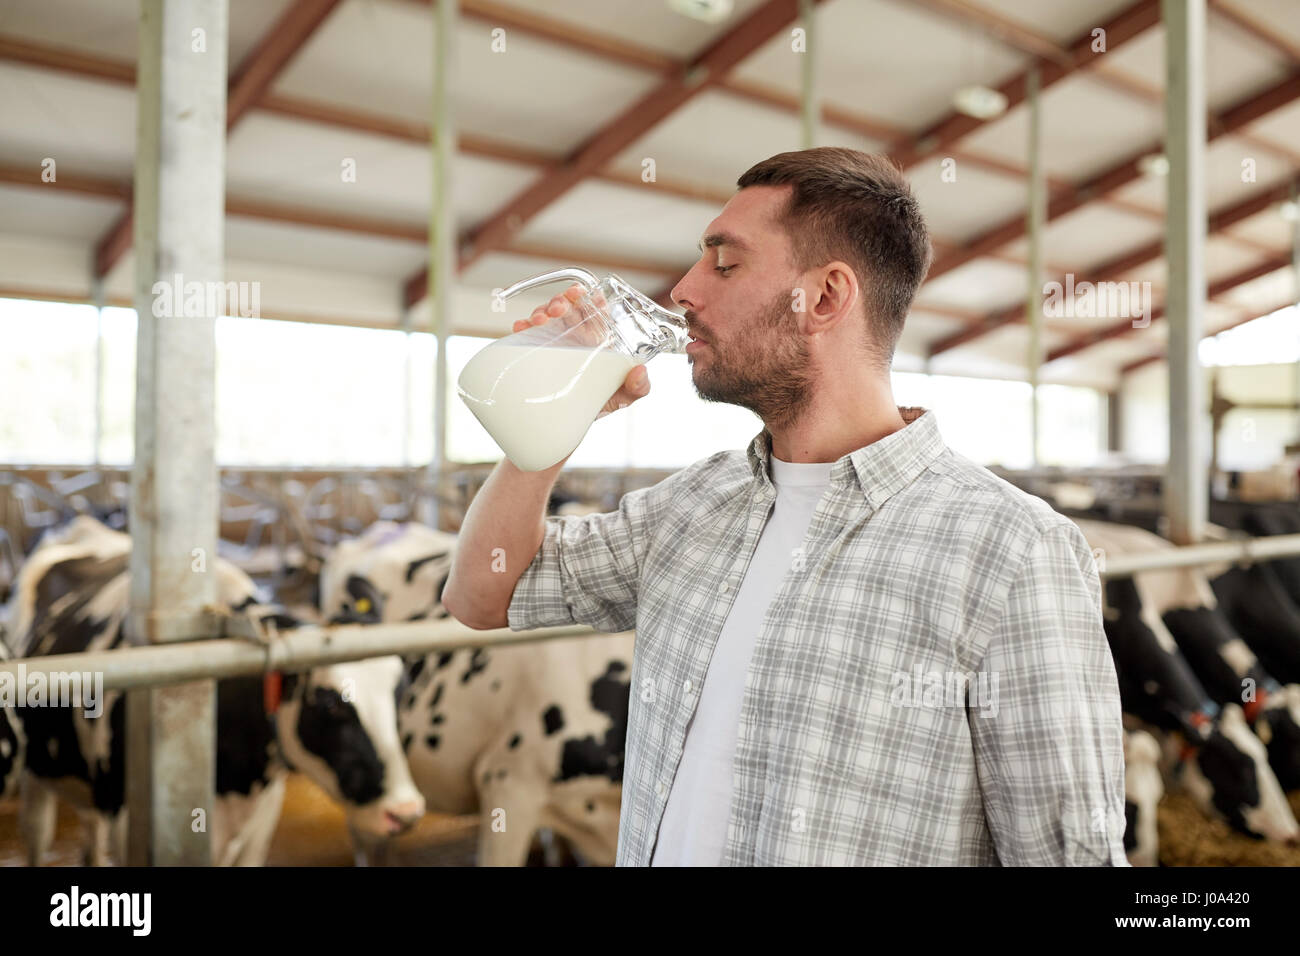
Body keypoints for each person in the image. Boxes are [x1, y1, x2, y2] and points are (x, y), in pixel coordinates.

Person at [442, 146, 1127, 866]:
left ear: (825, 298)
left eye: (724, 263)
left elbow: (1066, 854)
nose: (682, 290)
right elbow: (484, 593)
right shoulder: (693, 506)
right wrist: (552, 421)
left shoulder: (1013, 551)